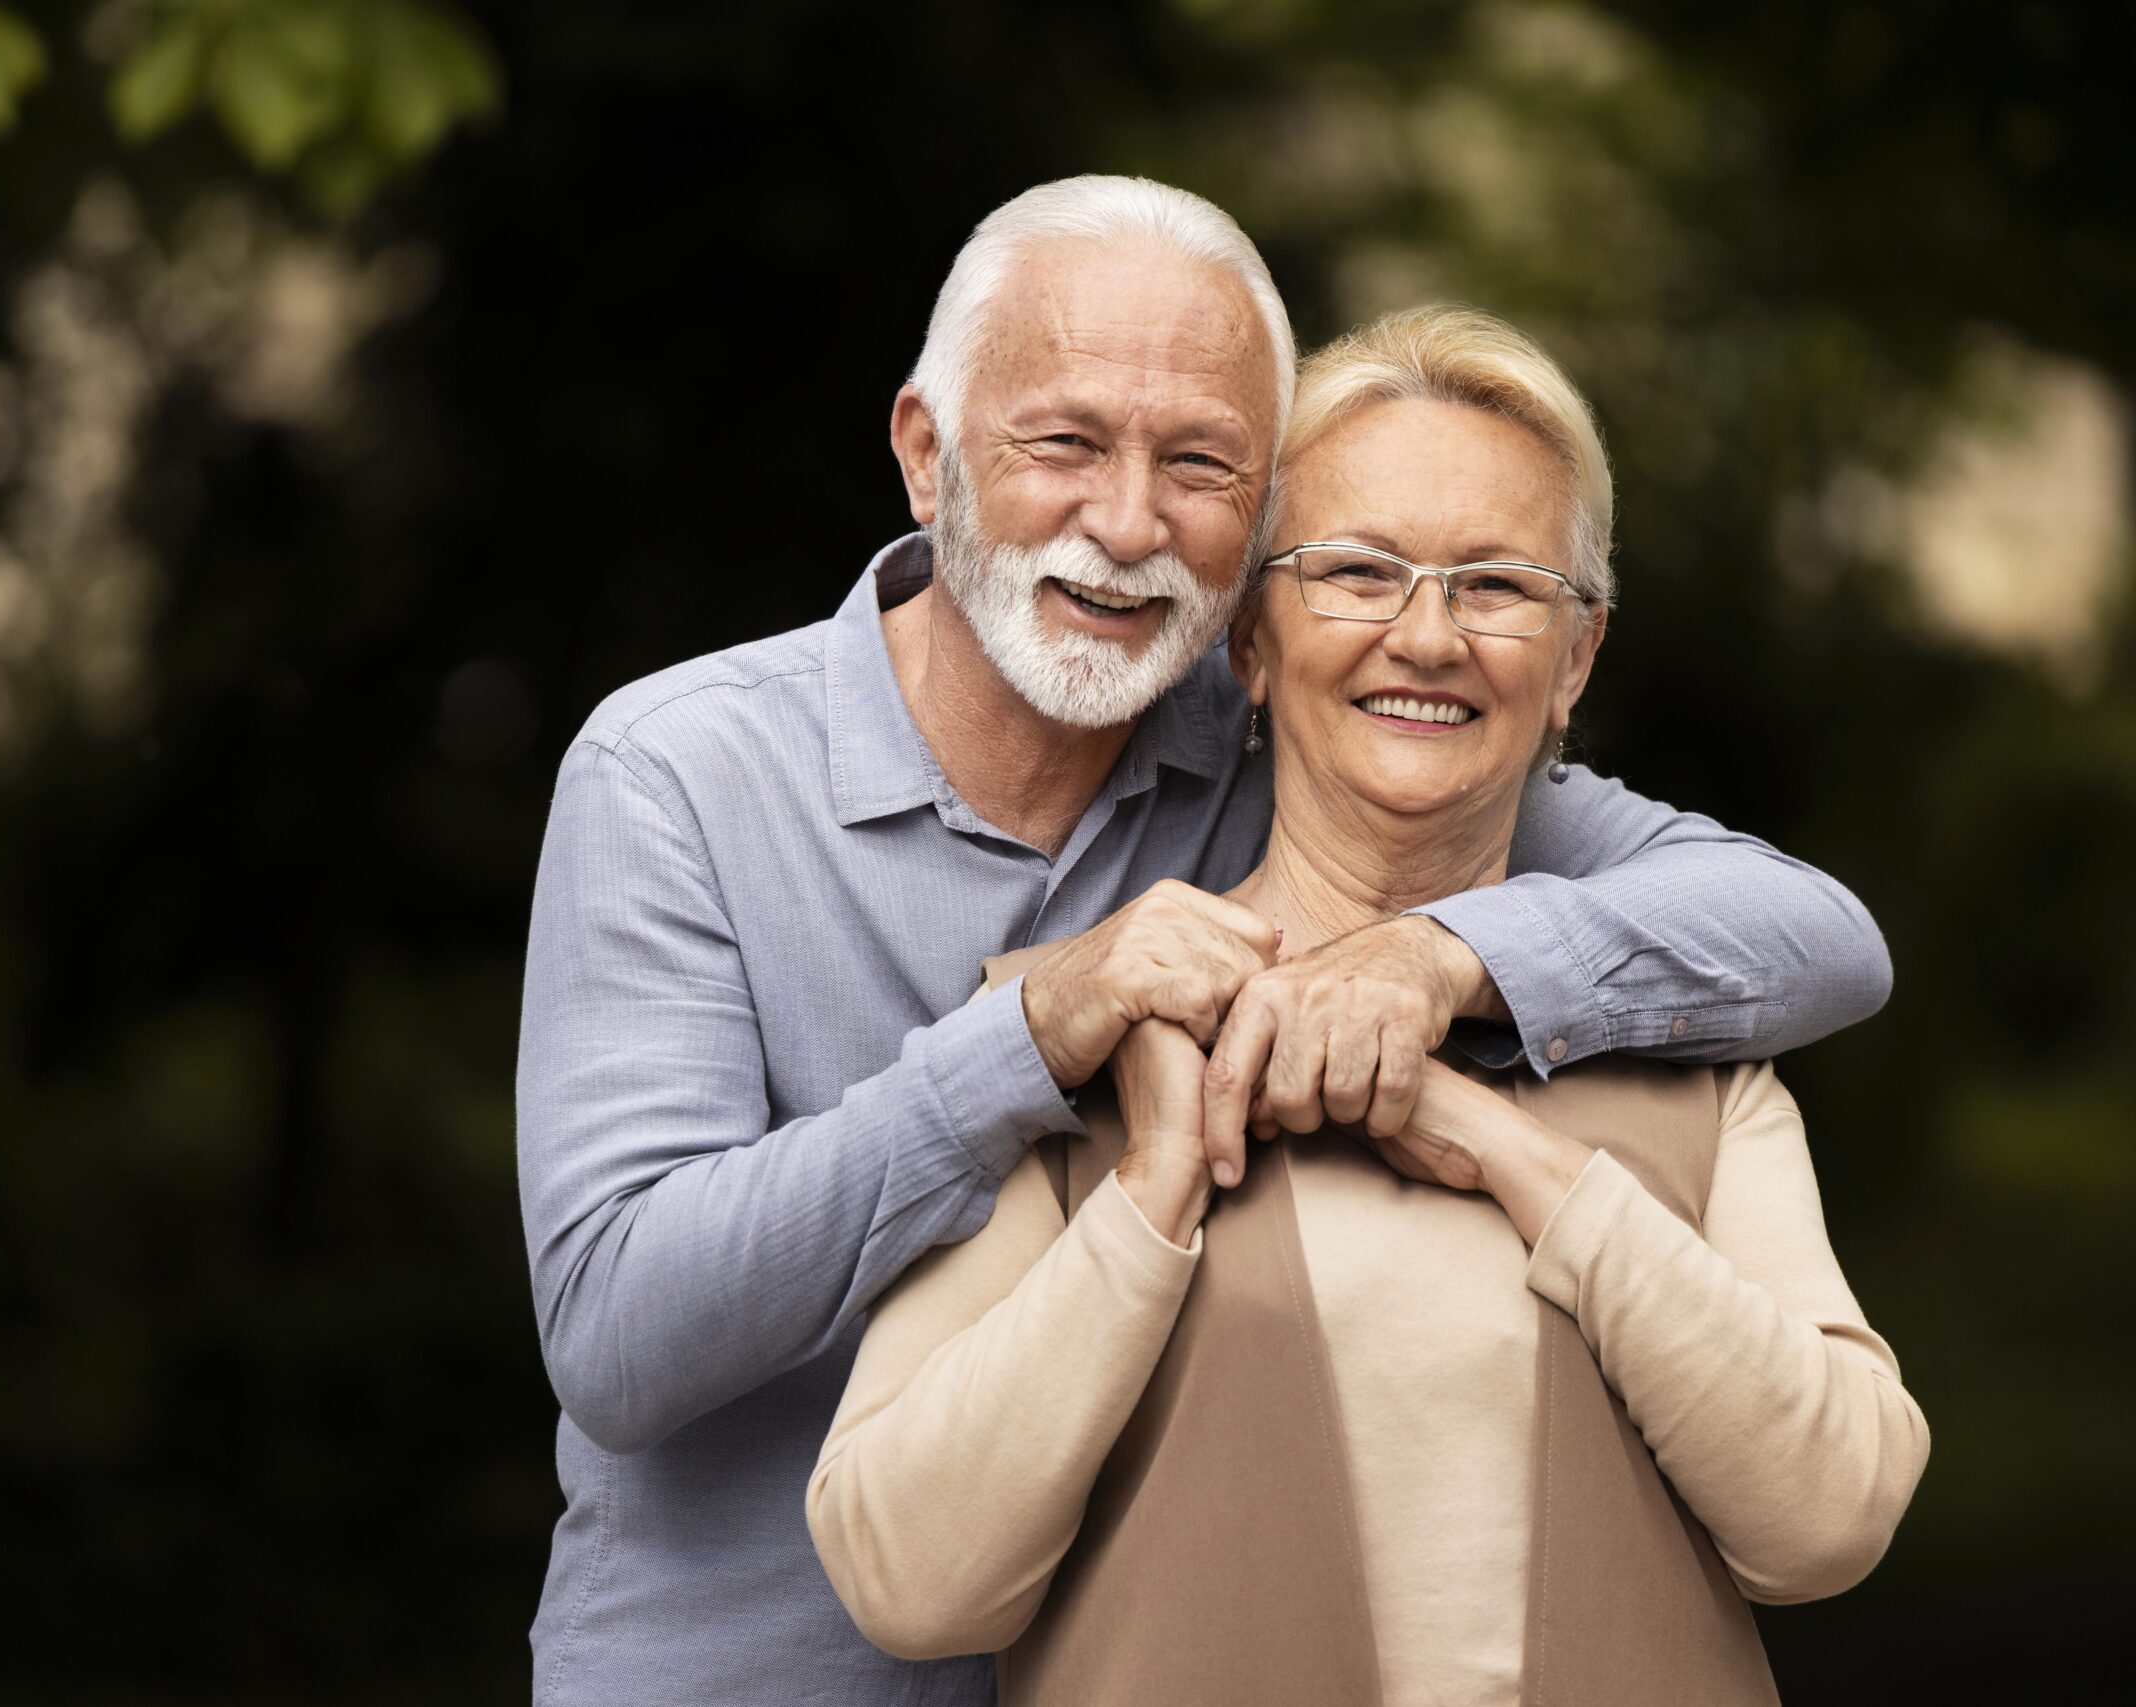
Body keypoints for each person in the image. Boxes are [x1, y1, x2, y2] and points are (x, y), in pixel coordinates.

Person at [517, 176, 1894, 1707]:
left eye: (1201, 464)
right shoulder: (678, 775)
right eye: (1065, 443)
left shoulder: (1301, 724)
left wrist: (1439, 958)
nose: (1126, 521)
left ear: (1251, 554)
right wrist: (1027, 1043)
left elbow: (1816, 937)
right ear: (928, 455)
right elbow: (622, 1338)